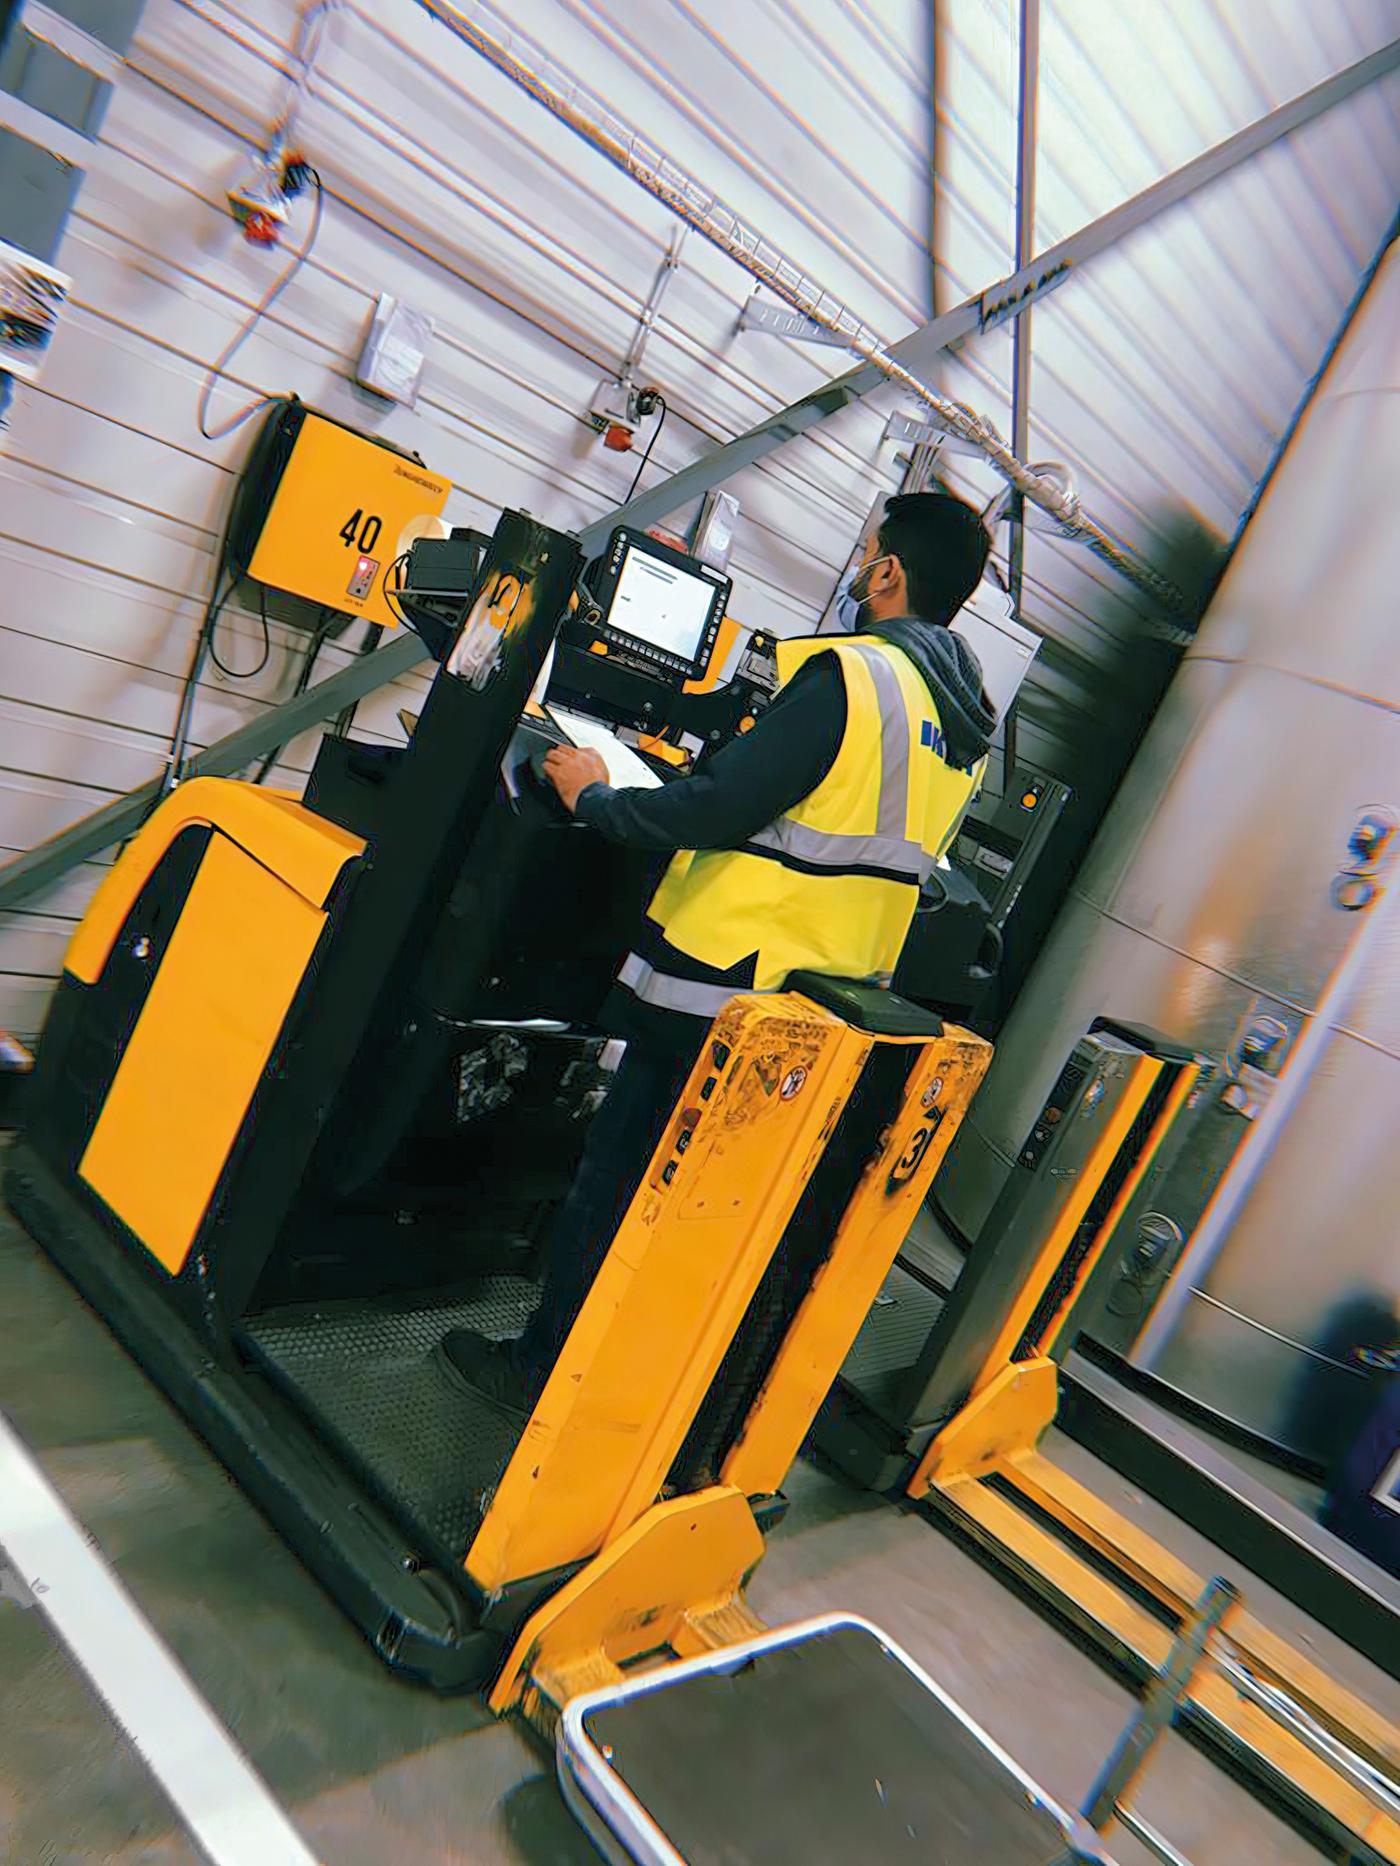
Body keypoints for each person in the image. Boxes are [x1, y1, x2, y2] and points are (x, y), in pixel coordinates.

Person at [437, 489, 997, 1416]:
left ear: (889, 572)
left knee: (621, 1180)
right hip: (822, 1004)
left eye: (867, 551)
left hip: (721, 984)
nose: (860, 565)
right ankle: (635, 1389)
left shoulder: (855, 676)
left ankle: (539, 1374)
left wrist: (594, 795)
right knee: (702, 1208)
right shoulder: (960, 721)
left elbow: (711, 809)